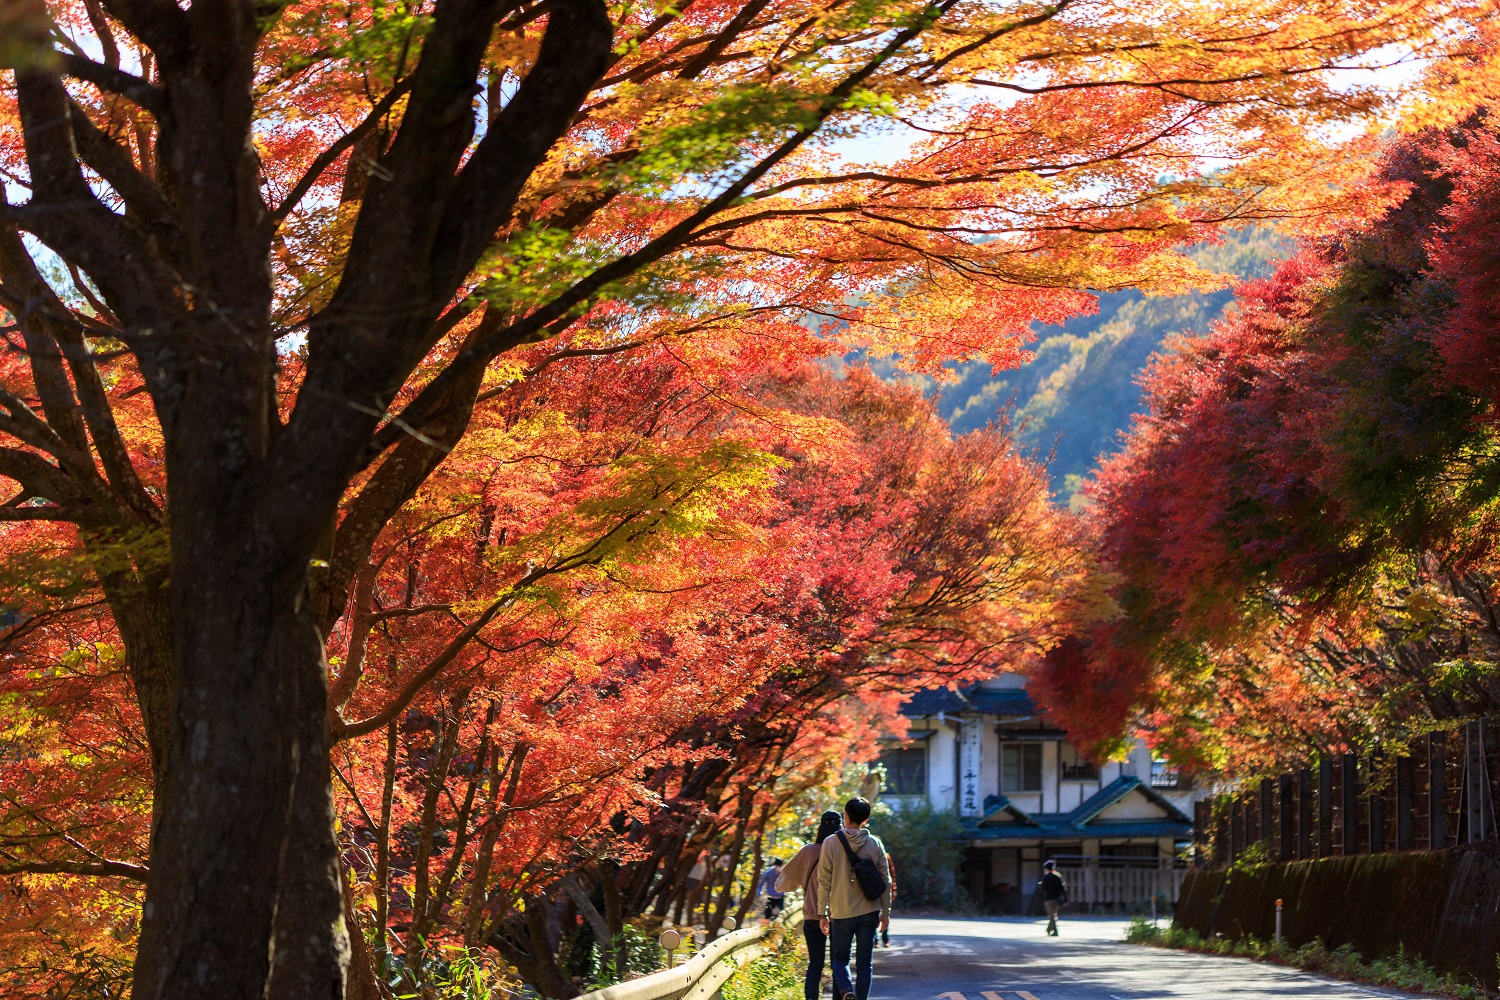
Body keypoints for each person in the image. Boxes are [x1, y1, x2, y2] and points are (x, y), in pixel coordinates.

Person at [816, 797, 891, 1000]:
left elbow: (823, 881)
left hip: (841, 912)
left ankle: (846, 990)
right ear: (866, 819)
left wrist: (821, 913)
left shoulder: (831, 842)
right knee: (865, 963)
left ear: (845, 815)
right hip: (869, 911)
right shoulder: (875, 843)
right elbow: (886, 880)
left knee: (840, 959)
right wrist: (885, 913)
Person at [778, 812, 842, 1000]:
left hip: (812, 914)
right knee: (838, 962)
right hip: (839, 914)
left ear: (820, 827)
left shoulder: (808, 851)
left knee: (815, 964)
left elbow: (785, 880)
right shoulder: (842, 851)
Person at [1039, 859, 1067, 936]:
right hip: (1057, 899)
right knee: (1053, 914)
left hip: (1048, 899)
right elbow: (1063, 889)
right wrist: (1065, 899)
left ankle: (1054, 931)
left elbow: (1042, 888)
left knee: (1051, 915)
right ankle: (1049, 929)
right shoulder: (1058, 877)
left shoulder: (1046, 877)